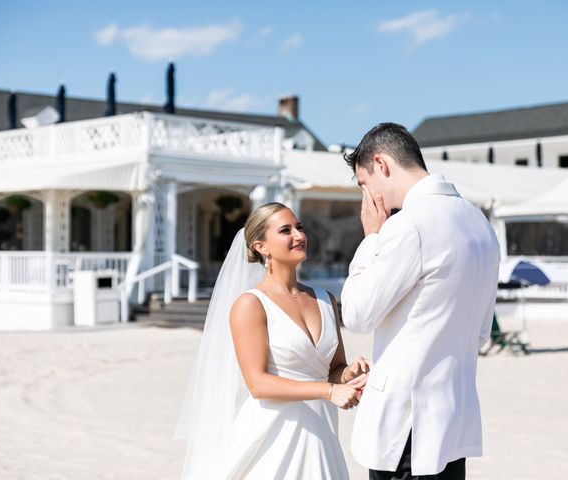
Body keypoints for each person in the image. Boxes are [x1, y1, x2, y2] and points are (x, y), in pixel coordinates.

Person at [341, 123, 500, 479]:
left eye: (364, 184)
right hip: (453, 422)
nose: (366, 198)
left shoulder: (409, 224)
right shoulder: (480, 223)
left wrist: (371, 240)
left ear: (381, 164)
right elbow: (480, 333)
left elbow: (356, 315)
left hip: (405, 428)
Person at [177, 202, 369, 479]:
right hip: (272, 435)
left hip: (320, 431)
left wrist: (350, 374)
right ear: (261, 247)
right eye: (285, 230)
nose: (299, 235)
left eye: (300, 227)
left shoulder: (326, 299)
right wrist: (328, 392)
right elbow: (258, 384)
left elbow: (334, 369)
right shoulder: (251, 304)